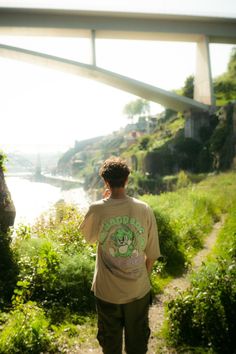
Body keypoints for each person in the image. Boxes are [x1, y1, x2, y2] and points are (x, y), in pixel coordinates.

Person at [79, 157, 160, 354]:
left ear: (106, 182)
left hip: (107, 291)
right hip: (138, 290)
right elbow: (152, 254)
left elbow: (88, 237)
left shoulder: (97, 209)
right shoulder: (144, 209)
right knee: (137, 344)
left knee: (110, 345)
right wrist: (142, 277)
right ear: (127, 180)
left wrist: (104, 200)